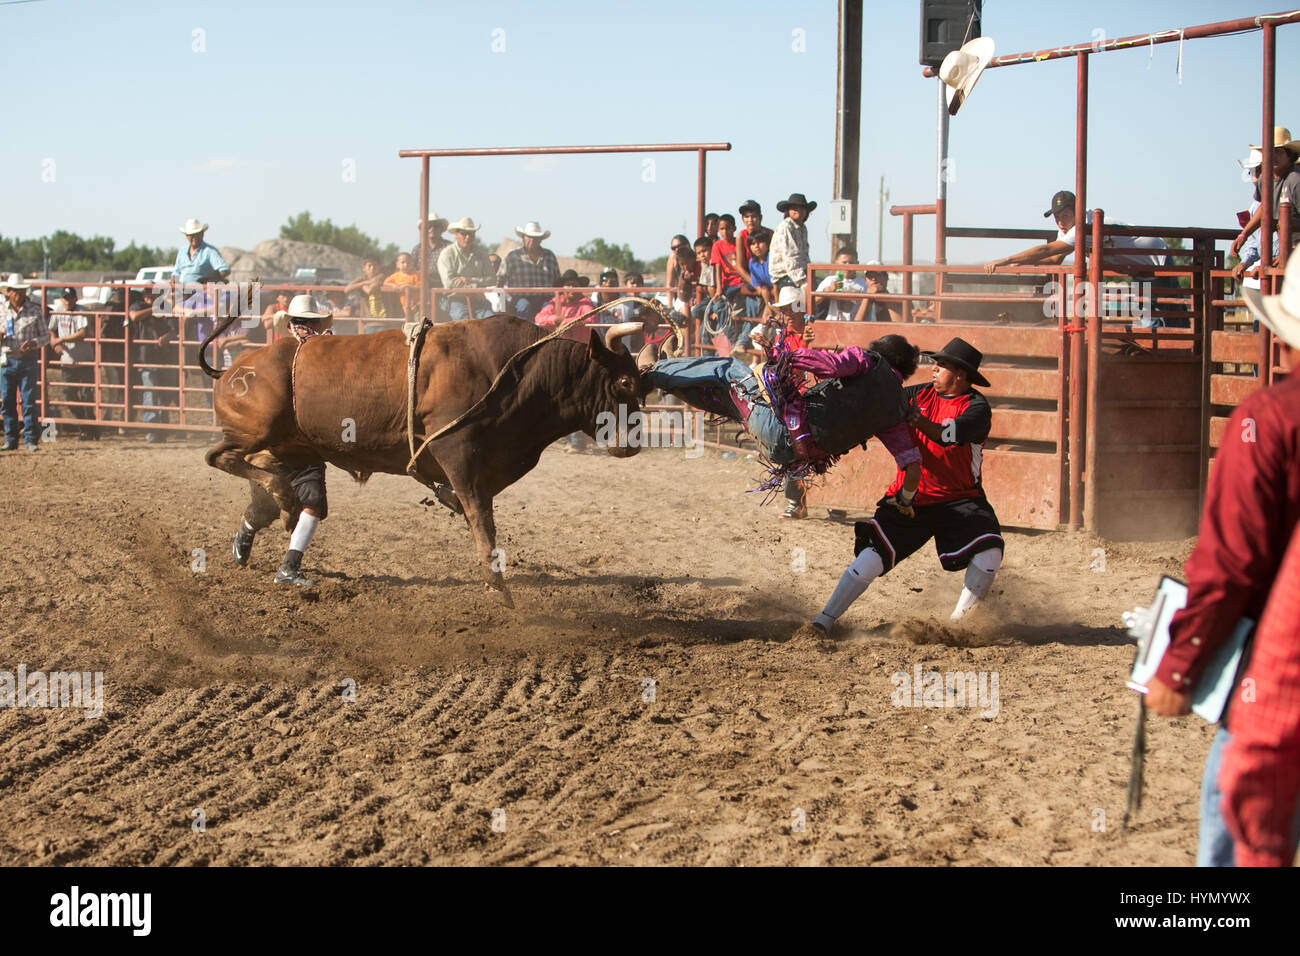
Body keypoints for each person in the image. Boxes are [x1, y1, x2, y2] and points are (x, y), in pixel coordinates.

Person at [1144, 250, 1300, 866]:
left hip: (1276, 666)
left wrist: (1179, 665)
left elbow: (1232, 562)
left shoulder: (1270, 417)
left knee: (1238, 831)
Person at [810, 338, 1003, 635]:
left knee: (990, 552)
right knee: (871, 558)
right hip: (909, 499)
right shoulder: (917, 394)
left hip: (960, 499)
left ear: (961, 376)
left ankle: (957, 627)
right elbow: (881, 402)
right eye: (935, 364)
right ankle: (823, 621)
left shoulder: (976, 408)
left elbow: (945, 435)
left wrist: (913, 417)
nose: (934, 370)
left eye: (942, 366)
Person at [642, 325, 922, 498]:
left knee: (731, 369)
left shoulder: (868, 362)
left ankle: (650, 372)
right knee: (726, 398)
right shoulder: (896, 411)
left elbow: (831, 366)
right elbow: (911, 465)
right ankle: (670, 369)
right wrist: (906, 501)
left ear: (882, 354)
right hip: (788, 456)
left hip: (781, 426)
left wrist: (785, 356)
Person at [232, 295, 336, 587]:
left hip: (304, 445)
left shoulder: (325, 355)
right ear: (291, 325)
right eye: (302, 323)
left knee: (313, 502)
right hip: (273, 446)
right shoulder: (274, 359)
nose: (306, 328)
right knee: (265, 508)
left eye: (310, 323)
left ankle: (289, 566)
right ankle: (247, 529)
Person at [984, 190, 1175, 326]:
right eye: (1056, 217)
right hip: (1141, 271)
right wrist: (1023, 262)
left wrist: (1006, 260)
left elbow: (1047, 251)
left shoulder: (1084, 226)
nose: (1060, 222)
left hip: (1159, 262)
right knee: (1154, 321)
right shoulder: (1069, 229)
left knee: (1172, 319)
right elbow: (1054, 259)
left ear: (1078, 211)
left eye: (1065, 216)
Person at [1231, 126, 1300, 265]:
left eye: (1278, 152)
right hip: (1285, 252)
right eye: (1269, 152)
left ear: (1289, 155)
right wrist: (1244, 234)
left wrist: (1291, 253)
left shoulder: (1295, 181)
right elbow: (1264, 208)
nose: (1273, 156)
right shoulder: (1265, 179)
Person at [0, 274, 51, 450]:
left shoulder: (35, 310)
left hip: (27, 359)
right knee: (7, 401)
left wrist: (35, 343)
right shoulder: (1, 310)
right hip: (7, 359)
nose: (18, 294)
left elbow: (46, 336)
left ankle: (30, 439)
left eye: (20, 291)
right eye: (14, 291)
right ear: (9, 293)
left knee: (29, 401)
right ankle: (11, 439)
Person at [1232, 149, 1280, 291]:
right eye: (1255, 171)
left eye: (1259, 170)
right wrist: (1244, 263)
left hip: (1279, 269)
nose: (1256, 177)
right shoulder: (1255, 207)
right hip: (1269, 270)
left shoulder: (1283, 195)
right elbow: (1255, 242)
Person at [46, 287, 93, 432]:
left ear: (75, 299)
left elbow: (82, 333)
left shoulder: (81, 311)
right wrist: (55, 342)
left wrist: (60, 339)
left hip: (83, 360)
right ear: (62, 299)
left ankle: (89, 426)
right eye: (65, 298)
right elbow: (50, 329)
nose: (68, 301)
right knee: (69, 394)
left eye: (70, 298)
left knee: (86, 395)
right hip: (67, 360)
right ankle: (84, 425)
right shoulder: (58, 311)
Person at [437, 217, 496, 320]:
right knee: (463, 322)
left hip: (479, 300)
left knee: (491, 322)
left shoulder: (481, 253)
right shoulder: (447, 254)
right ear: (456, 234)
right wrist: (475, 288)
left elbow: (492, 279)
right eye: (464, 233)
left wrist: (469, 280)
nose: (468, 237)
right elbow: (449, 283)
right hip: (456, 300)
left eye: (471, 234)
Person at [501, 221, 561, 321]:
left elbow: (558, 281)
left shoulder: (549, 256)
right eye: (529, 237)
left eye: (536, 237)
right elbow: (500, 278)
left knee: (549, 309)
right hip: (520, 298)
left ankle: (547, 335)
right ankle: (525, 335)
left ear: (541, 240)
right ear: (523, 238)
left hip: (545, 298)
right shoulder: (512, 256)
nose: (532, 240)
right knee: (524, 306)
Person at [770, 192, 815, 292]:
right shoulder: (786, 226)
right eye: (794, 208)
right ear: (789, 211)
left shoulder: (803, 228)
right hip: (785, 276)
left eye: (802, 208)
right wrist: (803, 283)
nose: (798, 211)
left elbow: (804, 256)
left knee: (824, 290)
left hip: (800, 273)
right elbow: (790, 258)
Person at [534, 269, 596, 340]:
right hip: (557, 343)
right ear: (562, 288)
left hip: (579, 344)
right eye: (568, 285)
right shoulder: (556, 301)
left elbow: (591, 319)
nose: (572, 288)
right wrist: (555, 319)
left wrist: (566, 322)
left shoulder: (586, 302)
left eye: (575, 285)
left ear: (580, 287)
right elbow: (538, 317)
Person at [173, 218, 231, 288]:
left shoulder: (209, 251)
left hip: (201, 293)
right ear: (186, 236)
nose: (194, 237)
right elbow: (176, 273)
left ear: (202, 234)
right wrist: (173, 282)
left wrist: (207, 281)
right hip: (181, 290)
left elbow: (225, 270)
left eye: (196, 234)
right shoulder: (182, 251)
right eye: (191, 234)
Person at [382, 253, 421, 319]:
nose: (405, 265)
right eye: (403, 262)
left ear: (412, 264)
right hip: (403, 307)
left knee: (417, 323)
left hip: (416, 305)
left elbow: (420, 287)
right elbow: (385, 283)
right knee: (406, 324)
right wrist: (393, 286)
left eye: (408, 263)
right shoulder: (395, 276)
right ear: (397, 264)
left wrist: (407, 286)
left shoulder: (416, 275)